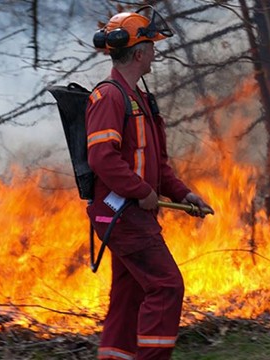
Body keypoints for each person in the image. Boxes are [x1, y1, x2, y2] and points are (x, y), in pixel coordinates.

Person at [85, 6, 213, 360]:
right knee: (166, 286)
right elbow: (102, 159)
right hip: (123, 215)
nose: (156, 53)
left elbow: (157, 166)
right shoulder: (109, 97)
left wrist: (185, 195)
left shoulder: (140, 99)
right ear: (139, 53)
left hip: (132, 214)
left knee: (128, 297)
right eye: (153, 47)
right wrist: (141, 193)